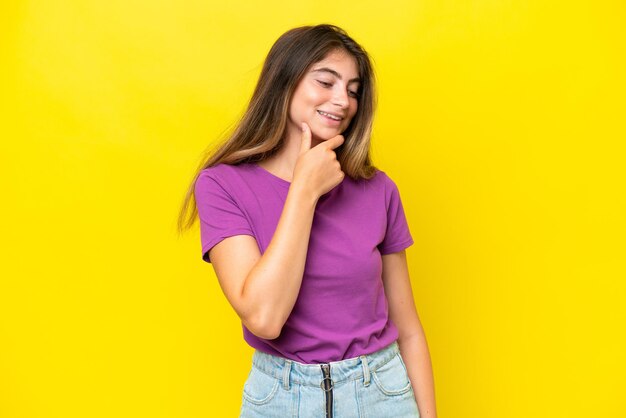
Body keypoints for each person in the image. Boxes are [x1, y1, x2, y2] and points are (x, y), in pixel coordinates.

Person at [178, 24, 437, 418]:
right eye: (326, 81)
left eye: (352, 89)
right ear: (285, 81)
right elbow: (264, 318)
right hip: (282, 398)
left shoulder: (378, 190)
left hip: (382, 393)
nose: (343, 100)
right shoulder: (221, 185)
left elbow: (410, 329)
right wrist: (304, 191)